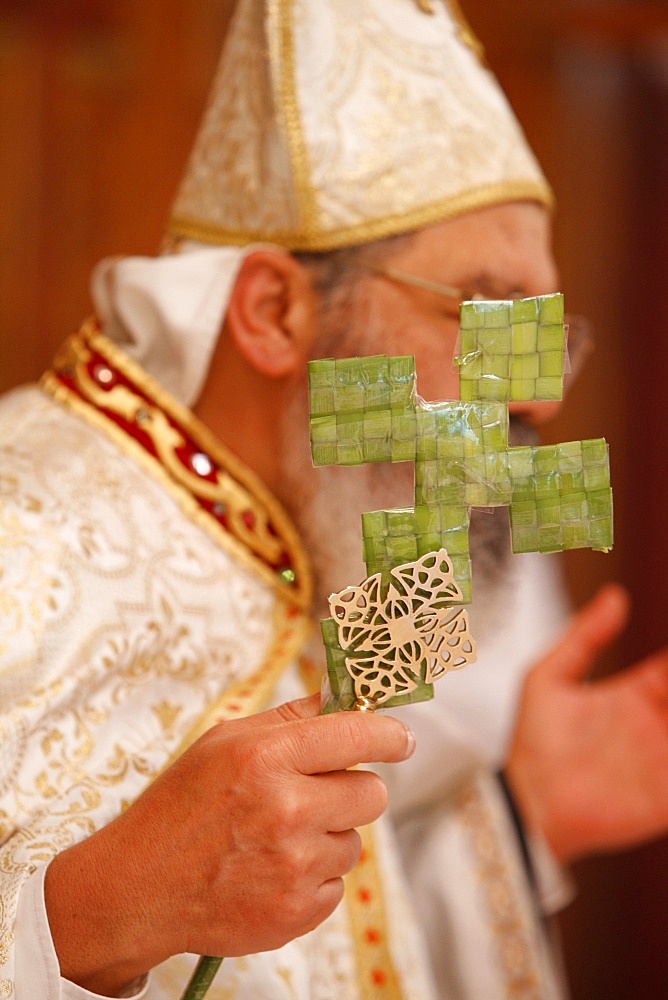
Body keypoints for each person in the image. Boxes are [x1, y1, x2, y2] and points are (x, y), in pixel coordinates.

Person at [1, 1, 667, 998]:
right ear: (275, 312)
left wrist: (526, 817)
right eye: (485, 310)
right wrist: (100, 908)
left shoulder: (350, 530)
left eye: (542, 331)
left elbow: (352, 922)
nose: (534, 392)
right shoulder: (22, 527)